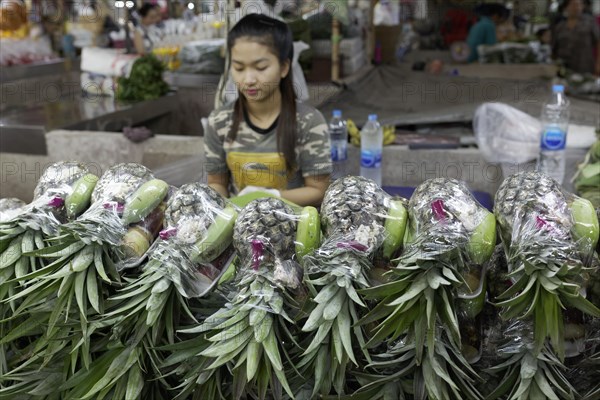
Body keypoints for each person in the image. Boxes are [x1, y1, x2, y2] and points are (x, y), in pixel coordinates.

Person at [204, 14, 332, 207]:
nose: (248, 80)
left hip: (293, 228)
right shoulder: (219, 122)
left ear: (283, 67)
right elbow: (216, 183)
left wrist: (272, 196)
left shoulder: (309, 122)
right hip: (239, 226)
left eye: (261, 67)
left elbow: (318, 190)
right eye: (239, 68)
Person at [552, 0, 600, 75]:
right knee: (559, 86)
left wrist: (598, 63)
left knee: (582, 85)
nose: (577, 7)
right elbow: (554, 47)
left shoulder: (590, 22)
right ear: (566, 7)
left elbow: (598, 42)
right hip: (562, 66)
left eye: (580, 4)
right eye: (573, 5)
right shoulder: (560, 26)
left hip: (584, 66)